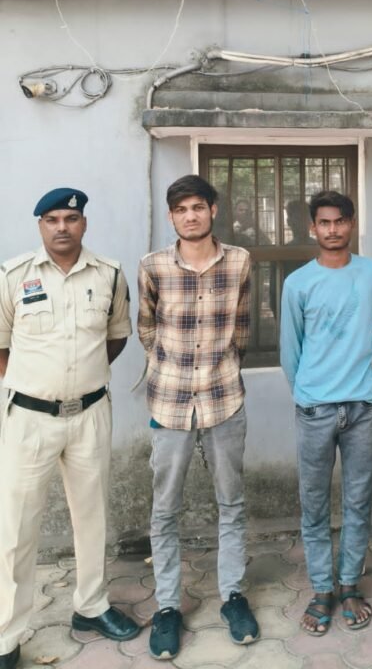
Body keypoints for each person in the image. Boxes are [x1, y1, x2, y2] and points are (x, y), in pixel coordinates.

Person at [0, 188, 138, 669]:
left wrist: (82, 379)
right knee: (16, 527)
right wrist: (35, 386)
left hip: (90, 414)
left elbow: (116, 337)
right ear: (40, 225)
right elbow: (0, 345)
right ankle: (7, 632)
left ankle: (91, 606)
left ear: (84, 224)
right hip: (29, 418)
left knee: (92, 516)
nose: (62, 227)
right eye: (53, 219)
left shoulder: (109, 274)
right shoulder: (13, 275)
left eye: (71, 218)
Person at [137, 175, 259, 660]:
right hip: (169, 404)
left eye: (198, 207)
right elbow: (147, 329)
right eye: (181, 209)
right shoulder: (153, 266)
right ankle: (168, 606)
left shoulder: (240, 261)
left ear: (213, 210)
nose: (190, 216)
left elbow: (242, 327)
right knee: (165, 510)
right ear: (172, 216)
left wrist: (220, 368)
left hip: (224, 399)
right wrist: (173, 369)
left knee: (232, 502)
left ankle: (233, 595)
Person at [280, 191, 372, 636]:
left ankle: (350, 584)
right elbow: (290, 350)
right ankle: (322, 589)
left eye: (340, 221)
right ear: (312, 228)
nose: (332, 229)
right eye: (324, 222)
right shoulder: (297, 283)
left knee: (357, 501)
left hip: (361, 409)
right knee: (314, 504)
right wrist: (306, 396)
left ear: (351, 224)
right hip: (315, 409)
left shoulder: (370, 273)